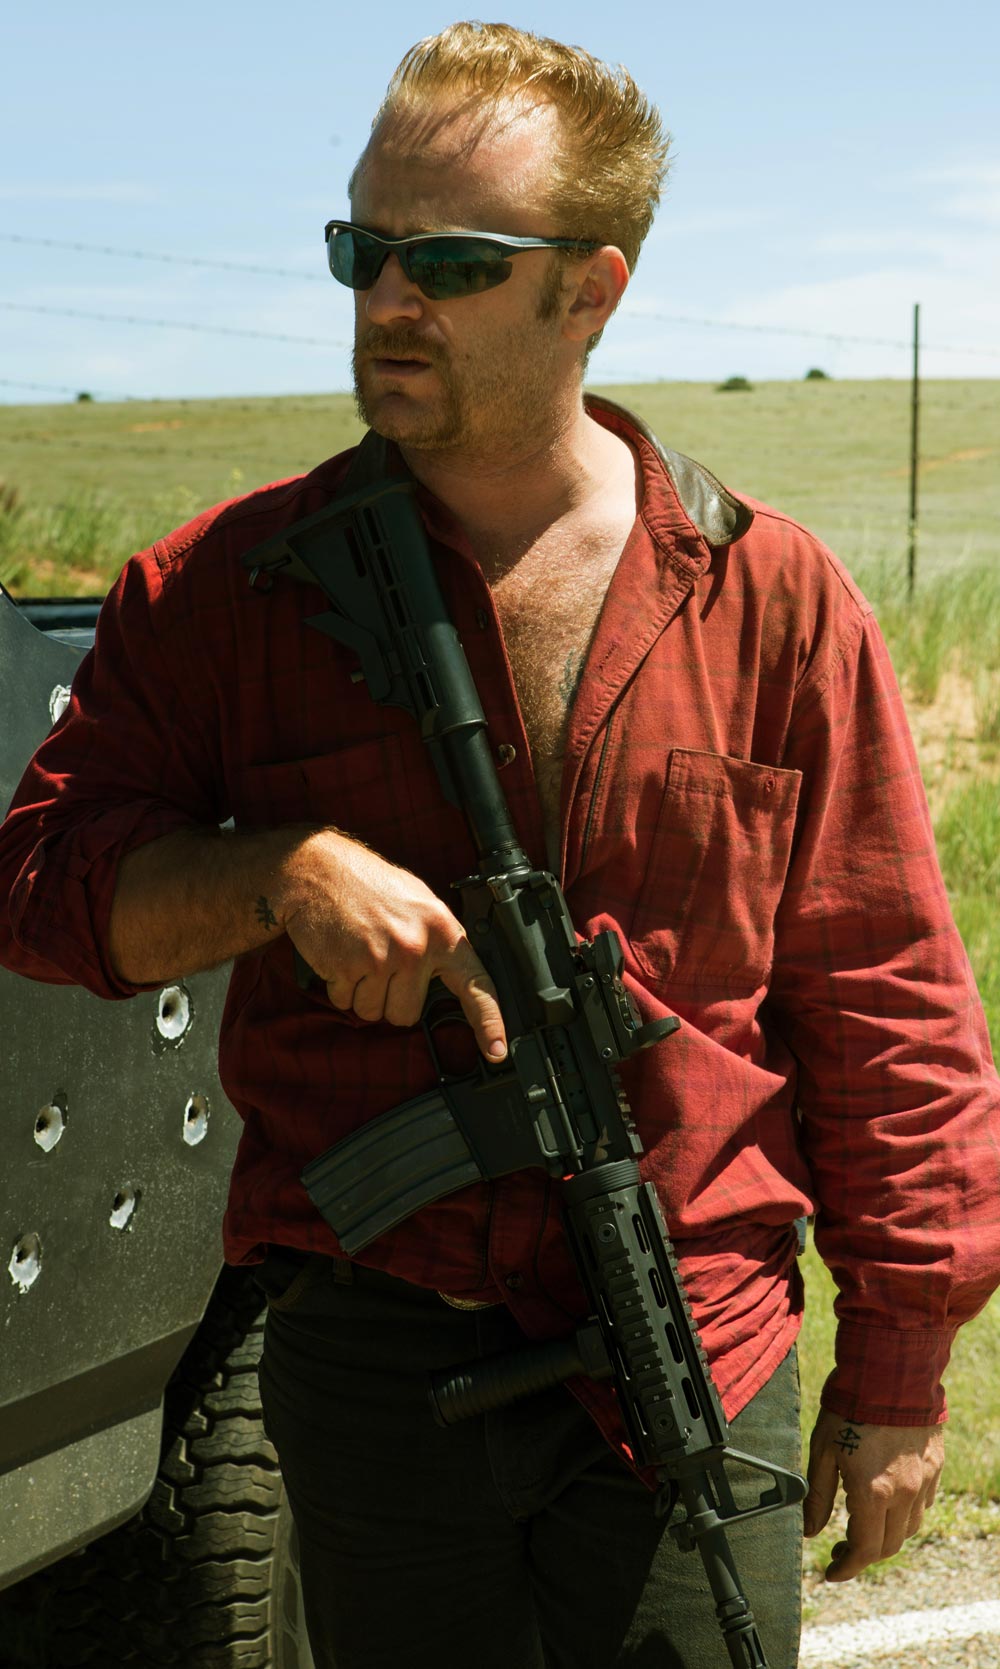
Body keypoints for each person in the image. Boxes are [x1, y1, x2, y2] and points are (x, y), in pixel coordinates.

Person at [1, 20, 998, 1669]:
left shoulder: (768, 598)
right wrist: (281, 874)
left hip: (692, 1340)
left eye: (452, 262)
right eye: (364, 250)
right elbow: (40, 887)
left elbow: (885, 996)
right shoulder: (225, 592)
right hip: (378, 1360)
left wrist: (898, 1368)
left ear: (592, 290)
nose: (389, 300)